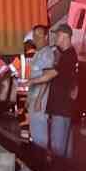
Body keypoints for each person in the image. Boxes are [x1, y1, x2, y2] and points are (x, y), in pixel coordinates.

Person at [29, 24, 77, 171]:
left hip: (61, 105)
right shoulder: (67, 54)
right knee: (64, 142)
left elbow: (51, 74)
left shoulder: (68, 56)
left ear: (65, 36)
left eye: (57, 35)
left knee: (58, 142)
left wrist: (32, 81)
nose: (54, 37)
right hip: (63, 104)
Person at [25, 24, 56, 160]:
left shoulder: (48, 54)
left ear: (46, 36)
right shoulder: (39, 53)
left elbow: (47, 77)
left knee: (40, 132)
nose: (36, 39)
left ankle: (43, 162)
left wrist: (38, 100)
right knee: (35, 131)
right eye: (35, 36)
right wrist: (28, 98)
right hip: (34, 98)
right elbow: (34, 77)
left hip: (40, 100)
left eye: (39, 36)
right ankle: (38, 160)